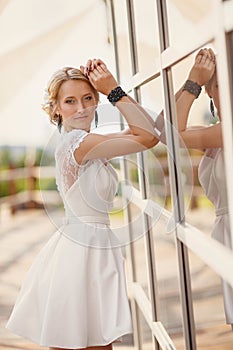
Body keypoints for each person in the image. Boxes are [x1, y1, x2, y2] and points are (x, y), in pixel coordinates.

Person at [6, 59, 159, 350]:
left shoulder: (89, 141)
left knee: (89, 341)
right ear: (56, 109)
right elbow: (148, 137)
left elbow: (148, 129)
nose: (81, 108)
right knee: (87, 341)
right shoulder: (80, 143)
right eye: (70, 101)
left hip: (87, 247)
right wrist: (113, 89)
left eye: (88, 98)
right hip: (82, 252)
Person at [174, 48, 233, 329]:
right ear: (210, 92)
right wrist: (192, 81)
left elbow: (170, 135)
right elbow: (165, 130)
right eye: (220, 83)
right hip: (226, 230)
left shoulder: (226, 131)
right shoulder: (218, 131)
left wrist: (193, 84)